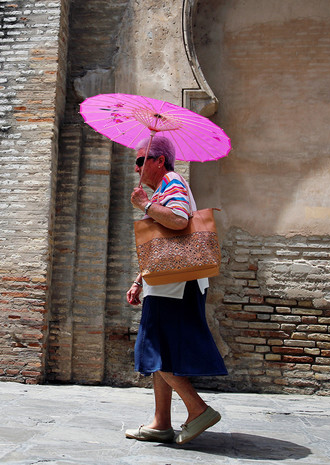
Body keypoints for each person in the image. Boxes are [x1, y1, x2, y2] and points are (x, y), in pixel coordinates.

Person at [124, 136, 227, 445]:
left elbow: (180, 221)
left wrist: (144, 204)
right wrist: (139, 280)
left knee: (152, 350)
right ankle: (161, 422)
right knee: (162, 351)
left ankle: (198, 409)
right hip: (168, 284)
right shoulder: (167, 188)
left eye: (141, 160)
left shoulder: (172, 183)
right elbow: (161, 246)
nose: (137, 167)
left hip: (175, 287)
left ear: (159, 161)